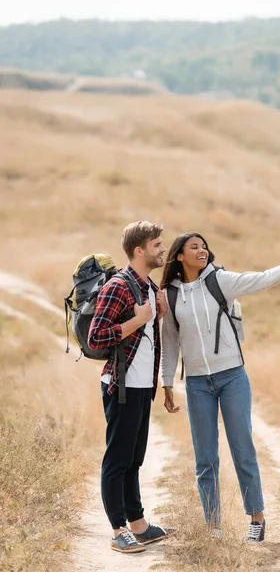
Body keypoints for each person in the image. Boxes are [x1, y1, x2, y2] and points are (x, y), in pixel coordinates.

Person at [160, 232, 280, 544]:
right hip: (198, 384)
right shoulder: (170, 295)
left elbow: (263, 279)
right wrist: (167, 383)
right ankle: (213, 525)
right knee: (205, 458)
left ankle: (256, 516)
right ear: (179, 257)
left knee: (243, 450)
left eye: (204, 246)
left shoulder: (220, 280)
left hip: (232, 378)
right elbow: (170, 340)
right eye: (194, 247)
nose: (202, 251)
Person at [88, 221, 173, 553]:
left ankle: (138, 524)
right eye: (157, 244)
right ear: (139, 251)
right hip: (120, 385)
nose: (162, 249)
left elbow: (147, 341)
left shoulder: (150, 288)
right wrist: (138, 320)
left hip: (141, 386)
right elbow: (97, 336)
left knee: (135, 458)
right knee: (117, 459)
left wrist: (157, 315)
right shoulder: (118, 286)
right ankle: (117, 530)